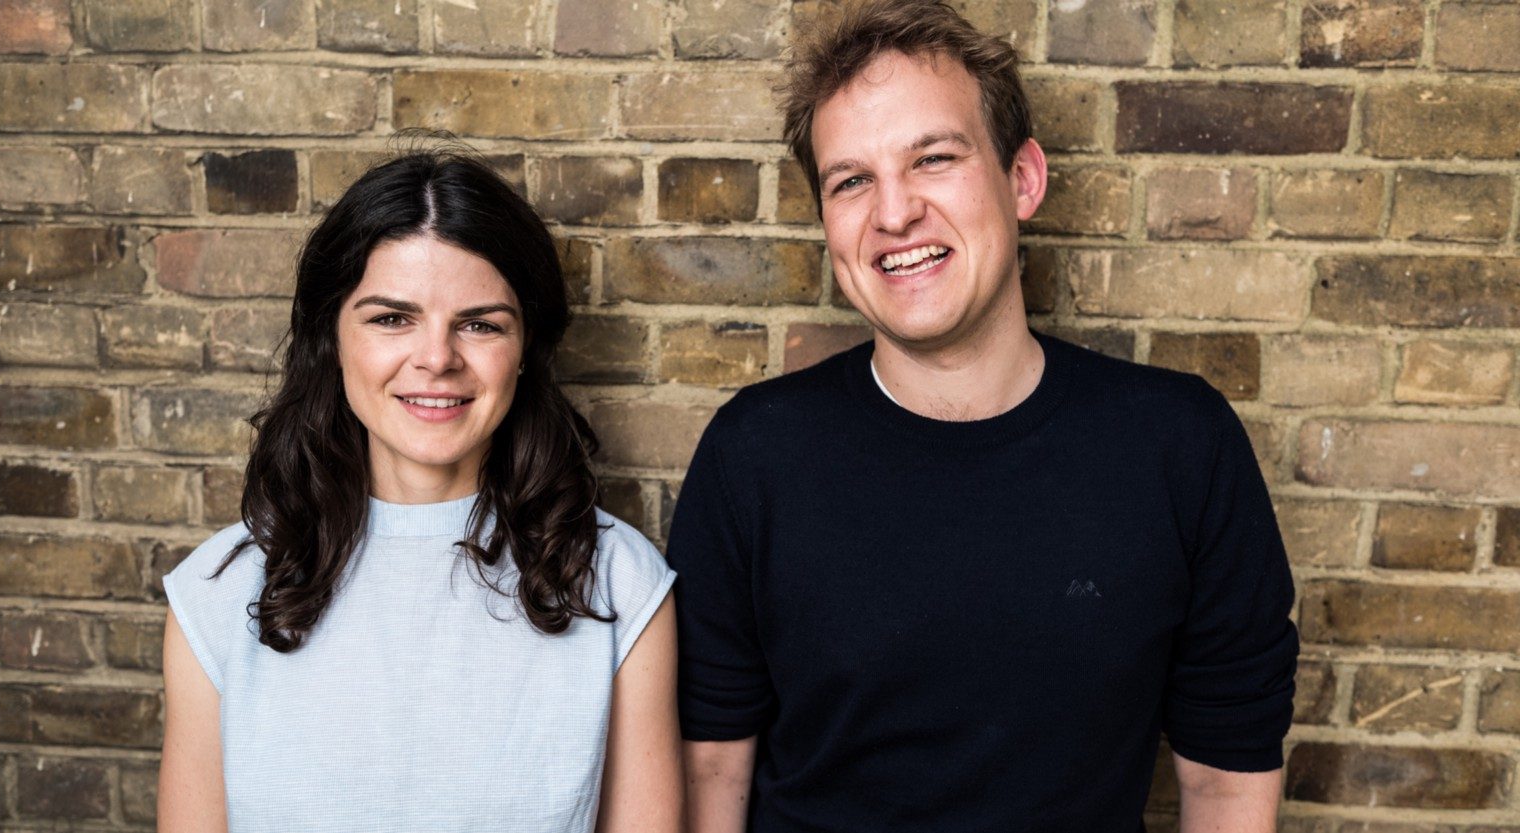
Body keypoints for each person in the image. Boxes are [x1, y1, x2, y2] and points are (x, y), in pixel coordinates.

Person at [669, 2, 1298, 831]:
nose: (894, 213)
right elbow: (712, 769)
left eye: (933, 158)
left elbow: (1225, 781)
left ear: (1023, 179)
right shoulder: (754, 455)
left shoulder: (1180, 446)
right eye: (851, 180)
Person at [157, 149, 682, 833]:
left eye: (480, 323)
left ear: (526, 349)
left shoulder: (620, 583)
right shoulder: (216, 594)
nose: (437, 358)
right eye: (391, 318)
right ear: (331, 338)